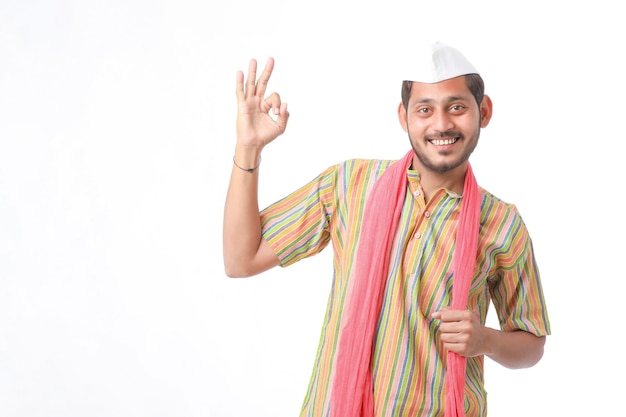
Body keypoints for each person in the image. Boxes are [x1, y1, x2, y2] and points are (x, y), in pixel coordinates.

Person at [222, 42, 551, 417]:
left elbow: (532, 344)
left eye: (456, 107)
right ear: (404, 116)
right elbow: (240, 259)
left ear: (484, 111)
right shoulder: (350, 184)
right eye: (424, 109)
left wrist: (484, 340)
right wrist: (248, 148)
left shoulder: (502, 223)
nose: (441, 124)